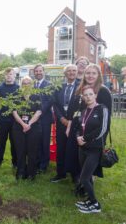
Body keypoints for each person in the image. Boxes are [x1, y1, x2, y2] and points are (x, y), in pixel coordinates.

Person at [66, 64, 112, 188]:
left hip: (93, 132)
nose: (90, 76)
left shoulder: (103, 91)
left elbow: (107, 118)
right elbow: (73, 109)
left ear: (98, 76)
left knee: (90, 160)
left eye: (93, 73)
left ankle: (87, 184)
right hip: (78, 129)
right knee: (78, 156)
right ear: (84, 75)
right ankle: (79, 180)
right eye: (88, 73)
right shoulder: (80, 88)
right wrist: (70, 126)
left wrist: (102, 136)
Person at [74, 85, 108, 213]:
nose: (88, 97)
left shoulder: (102, 109)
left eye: (90, 94)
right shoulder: (83, 111)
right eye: (85, 95)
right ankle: (89, 199)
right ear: (83, 97)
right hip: (82, 148)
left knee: (84, 178)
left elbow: (102, 130)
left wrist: (85, 138)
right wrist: (78, 137)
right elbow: (78, 127)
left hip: (94, 149)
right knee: (87, 178)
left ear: (95, 95)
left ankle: (95, 204)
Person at [51, 64, 79, 182]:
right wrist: (62, 119)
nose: (71, 73)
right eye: (69, 71)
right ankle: (60, 173)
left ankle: (74, 174)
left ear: (77, 72)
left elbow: (81, 106)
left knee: (73, 149)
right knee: (61, 148)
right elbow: (55, 104)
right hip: (61, 123)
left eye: (74, 70)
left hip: (75, 123)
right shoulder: (59, 87)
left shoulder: (81, 86)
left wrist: (71, 121)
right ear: (65, 73)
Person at [12, 76, 42, 180]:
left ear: (31, 85)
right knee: (20, 151)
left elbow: (39, 111)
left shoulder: (37, 96)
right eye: (24, 83)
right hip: (18, 127)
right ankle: (20, 172)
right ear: (21, 85)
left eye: (28, 83)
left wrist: (29, 123)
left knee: (32, 151)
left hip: (33, 127)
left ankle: (31, 173)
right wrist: (23, 124)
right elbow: (14, 112)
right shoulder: (16, 96)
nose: (26, 85)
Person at [0, 67, 19, 169]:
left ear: (14, 75)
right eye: (7, 74)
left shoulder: (18, 88)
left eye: (11, 74)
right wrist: (1, 114)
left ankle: (15, 163)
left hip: (15, 121)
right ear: (4, 76)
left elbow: (20, 104)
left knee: (14, 143)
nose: (9, 76)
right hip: (3, 121)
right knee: (1, 142)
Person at [33, 64, 53, 173]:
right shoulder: (33, 85)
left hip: (45, 118)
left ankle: (44, 165)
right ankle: (37, 162)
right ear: (34, 73)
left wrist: (39, 112)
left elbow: (50, 101)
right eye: (36, 71)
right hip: (34, 119)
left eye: (40, 71)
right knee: (37, 141)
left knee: (45, 141)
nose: (38, 73)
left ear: (43, 72)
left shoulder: (49, 85)